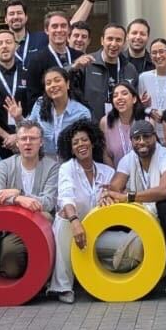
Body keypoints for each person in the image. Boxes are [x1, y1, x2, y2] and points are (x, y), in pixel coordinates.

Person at [106, 119, 166, 289]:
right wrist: (107, 195)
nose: (141, 142)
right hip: (147, 217)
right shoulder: (128, 160)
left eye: (146, 137)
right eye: (137, 138)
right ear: (132, 141)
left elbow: (165, 190)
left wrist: (128, 197)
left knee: (164, 205)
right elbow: (114, 187)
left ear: (155, 138)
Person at [0, 119, 61, 283]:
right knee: (11, 270)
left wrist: (18, 192)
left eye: (33, 138)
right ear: (16, 143)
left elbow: (48, 202)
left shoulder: (52, 167)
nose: (28, 143)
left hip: (43, 228)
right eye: (23, 138)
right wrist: (18, 198)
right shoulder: (4, 165)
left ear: (41, 142)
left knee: (46, 217)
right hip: (13, 229)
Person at [51, 119, 114, 304]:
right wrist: (75, 221)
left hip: (99, 230)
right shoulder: (67, 169)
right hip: (73, 228)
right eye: (76, 142)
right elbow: (65, 197)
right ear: (70, 149)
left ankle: (102, 280)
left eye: (84, 140)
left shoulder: (108, 172)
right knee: (62, 220)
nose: (81, 145)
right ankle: (62, 286)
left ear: (92, 141)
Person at [16, 66, 92, 152]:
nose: (53, 85)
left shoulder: (82, 113)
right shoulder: (40, 104)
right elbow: (29, 128)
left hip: (70, 162)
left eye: (57, 80)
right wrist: (18, 117)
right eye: (48, 83)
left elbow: (84, 146)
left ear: (67, 84)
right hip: (43, 161)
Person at [74, 23, 139, 117]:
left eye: (118, 40)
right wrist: (73, 67)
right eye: (110, 39)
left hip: (121, 125)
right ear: (102, 40)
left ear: (124, 43)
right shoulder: (87, 63)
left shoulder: (130, 69)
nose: (113, 44)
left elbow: (135, 100)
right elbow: (65, 82)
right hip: (93, 125)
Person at [25, 12, 79, 106]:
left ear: (69, 30)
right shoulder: (36, 60)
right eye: (54, 26)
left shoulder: (78, 56)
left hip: (78, 115)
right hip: (49, 117)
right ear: (46, 30)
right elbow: (33, 97)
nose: (59, 30)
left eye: (63, 26)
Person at [100, 82, 147, 166]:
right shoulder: (105, 122)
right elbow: (106, 155)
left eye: (124, 94)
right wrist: (115, 176)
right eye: (115, 96)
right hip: (115, 175)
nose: (119, 98)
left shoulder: (146, 121)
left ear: (134, 99)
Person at [138, 37, 166, 114]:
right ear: (150, 57)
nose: (158, 56)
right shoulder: (144, 77)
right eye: (154, 52)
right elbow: (140, 105)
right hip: (151, 123)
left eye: (161, 51)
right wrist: (150, 111)